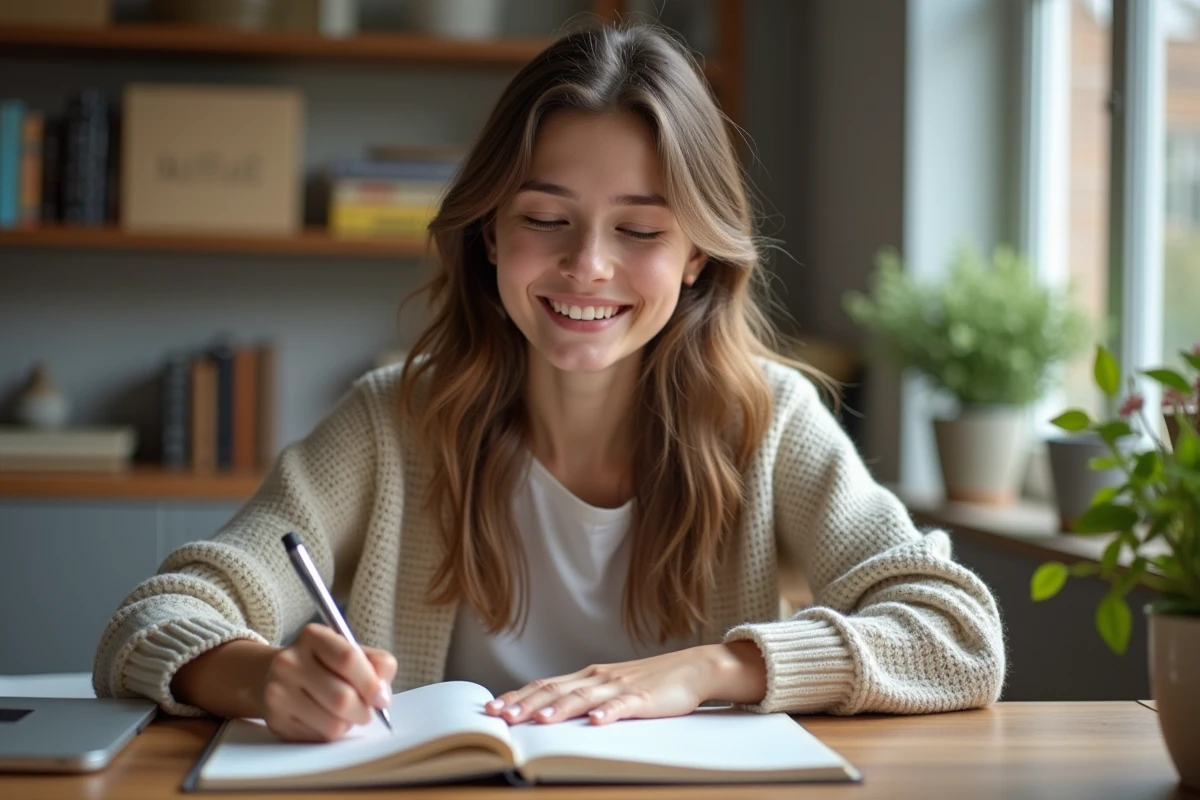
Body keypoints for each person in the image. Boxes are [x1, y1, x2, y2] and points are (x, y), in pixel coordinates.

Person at [93, 23, 1005, 743]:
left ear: (696, 256)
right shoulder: (390, 420)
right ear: (491, 232)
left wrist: (707, 670)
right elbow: (155, 616)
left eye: (639, 231)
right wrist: (262, 676)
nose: (588, 266)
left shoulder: (768, 422)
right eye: (544, 218)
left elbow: (958, 634)